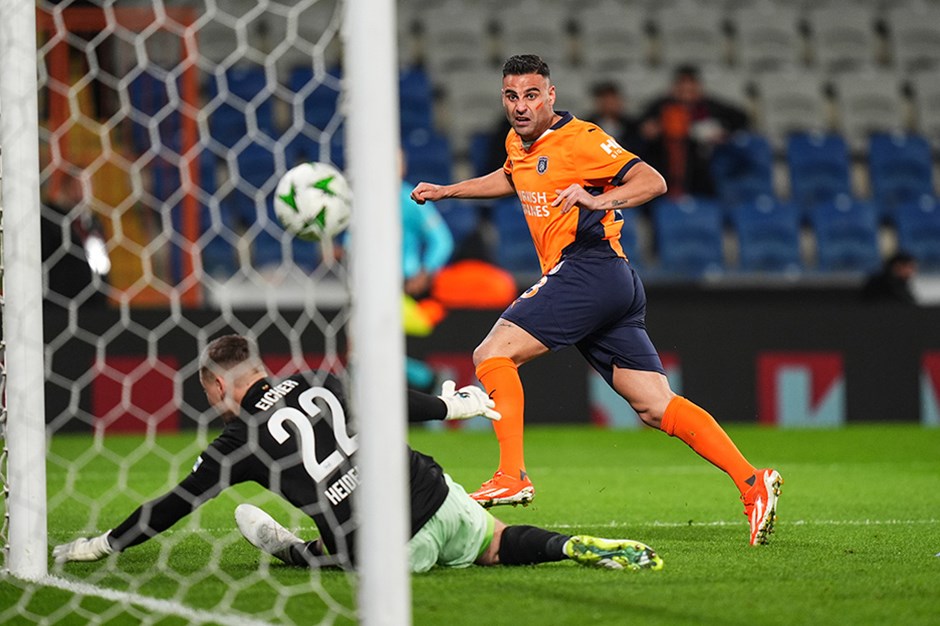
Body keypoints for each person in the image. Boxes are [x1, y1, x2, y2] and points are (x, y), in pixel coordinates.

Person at [410, 54, 781, 546]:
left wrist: (598, 199)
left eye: (531, 95)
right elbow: (512, 176)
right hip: (609, 283)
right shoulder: (518, 142)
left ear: (551, 96)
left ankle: (512, 473)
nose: (521, 106)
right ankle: (751, 481)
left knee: (491, 354)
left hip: (589, 267)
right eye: (512, 96)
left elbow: (653, 180)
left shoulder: (581, 140)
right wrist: (448, 191)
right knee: (653, 404)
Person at [53, 334, 664, 573]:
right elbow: (390, 399)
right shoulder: (321, 382)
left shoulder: (237, 443)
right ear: (260, 369)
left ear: (218, 387)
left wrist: (101, 544)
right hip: (441, 495)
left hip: (392, 548)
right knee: (498, 544)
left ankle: (290, 550)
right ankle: (566, 545)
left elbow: (173, 505)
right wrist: (456, 407)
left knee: (326, 556)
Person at [639, 64, 749, 198]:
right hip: (666, 164)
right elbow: (643, 127)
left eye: (691, 84)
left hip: (703, 169)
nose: (686, 89)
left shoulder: (709, 106)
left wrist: (722, 132)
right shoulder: (662, 106)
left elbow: (741, 118)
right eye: (682, 84)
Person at [584, 81, 643, 154]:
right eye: (605, 100)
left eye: (612, 99)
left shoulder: (634, 126)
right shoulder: (586, 127)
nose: (609, 104)